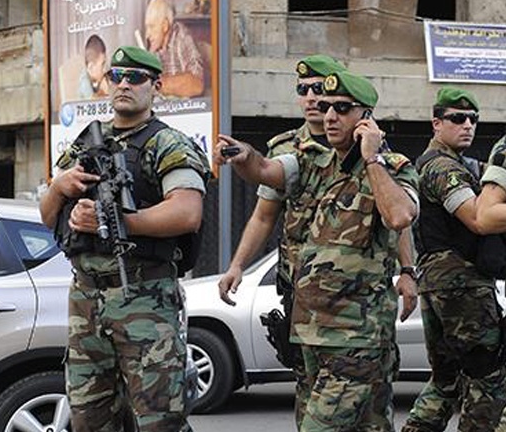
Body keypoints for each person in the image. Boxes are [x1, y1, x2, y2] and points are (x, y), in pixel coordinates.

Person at [214, 70, 419, 431]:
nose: (329, 117)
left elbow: (400, 216)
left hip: (356, 336)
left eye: (342, 108)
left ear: (366, 119)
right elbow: (264, 169)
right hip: (309, 333)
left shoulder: (394, 168)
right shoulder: (312, 162)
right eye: (325, 108)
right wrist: (244, 154)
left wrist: (372, 159)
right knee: (370, 426)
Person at [40, 45, 210, 432]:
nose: (124, 85)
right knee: (89, 421)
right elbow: (48, 216)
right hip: (87, 302)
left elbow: (187, 212)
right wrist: (59, 187)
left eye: (136, 78)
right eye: (117, 76)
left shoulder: (168, 144)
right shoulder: (85, 145)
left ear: (157, 86)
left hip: (144, 296)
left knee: (158, 421)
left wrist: (114, 220)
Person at [401, 87, 506, 432]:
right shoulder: (441, 167)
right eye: (457, 118)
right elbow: (479, 219)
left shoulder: (456, 164)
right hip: (461, 285)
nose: (467, 125)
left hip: (443, 285)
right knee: (487, 375)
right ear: (436, 123)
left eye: (473, 119)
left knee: (446, 381)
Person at [144, 0, 205, 98]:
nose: (147, 34)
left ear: (165, 26)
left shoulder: (182, 37)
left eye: (152, 27)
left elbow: (197, 84)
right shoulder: (155, 46)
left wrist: (161, 84)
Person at [78, 34, 109, 100]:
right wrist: (103, 92)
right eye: (102, 65)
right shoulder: (84, 81)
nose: (105, 70)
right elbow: (93, 104)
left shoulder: (96, 79)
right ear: (91, 67)